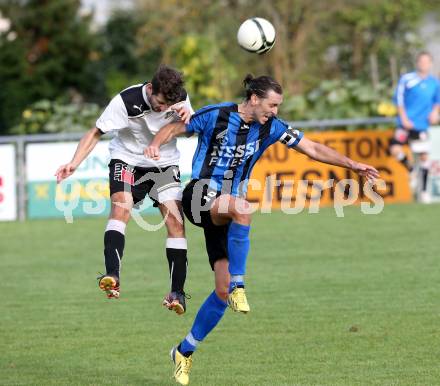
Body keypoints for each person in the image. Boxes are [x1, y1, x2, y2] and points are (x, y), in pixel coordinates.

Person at [145, 74, 380, 385]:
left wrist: (353, 165)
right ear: (254, 99)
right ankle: (241, 286)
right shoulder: (217, 115)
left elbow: (312, 148)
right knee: (243, 208)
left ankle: (183, 351)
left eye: (278, 105)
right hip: (200, 195)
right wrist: (155, 145)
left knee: (221, 290)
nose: (276, 111)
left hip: (225, 210)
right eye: (272, 104)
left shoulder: (271, 127)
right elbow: (175, 127)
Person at [55, 65, 193, 314]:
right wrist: (73, 163)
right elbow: (96, 132)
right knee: (122, 205)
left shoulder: (179, 97)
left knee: (176, 223)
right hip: (127, 158)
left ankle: (177, 293)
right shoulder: (125, 101)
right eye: (159, 102)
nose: (162, 108)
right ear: (150, 89)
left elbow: (188, 129)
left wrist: (187, 119)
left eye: (167, 105)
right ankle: (112, 276)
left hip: (164, 163)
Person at [390, 51, 440, 203]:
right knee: (395, 149)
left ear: (430, 64)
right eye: (421, 61)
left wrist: (435, 112)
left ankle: (424, 192)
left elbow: (436, 101)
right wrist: (404, 118)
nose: (423, 64)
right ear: (417, 63)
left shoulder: (434, 83)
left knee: (424, 157)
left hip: (421, 125)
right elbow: (398, 99)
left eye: (426, 61)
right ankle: (412, 170)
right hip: (406, 124)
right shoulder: (407, 79)